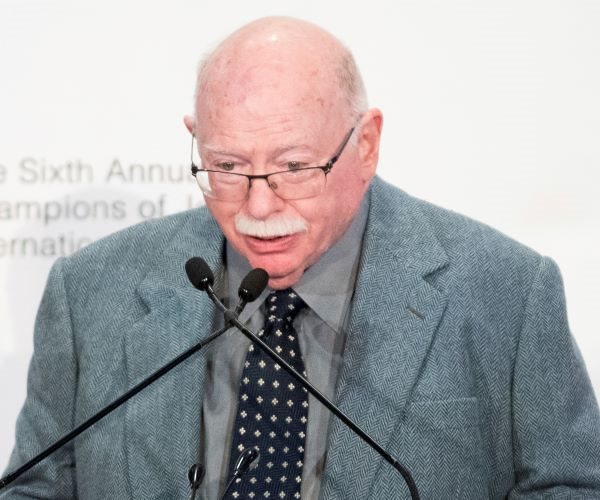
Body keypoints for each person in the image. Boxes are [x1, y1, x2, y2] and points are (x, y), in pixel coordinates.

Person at [3, 16, 600, 500]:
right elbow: (33, 489)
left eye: (294, 166)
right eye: (228, 166)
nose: (259, 207)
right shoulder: (91, 291)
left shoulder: (506, 291)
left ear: (366, 144)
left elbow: (572, 487)